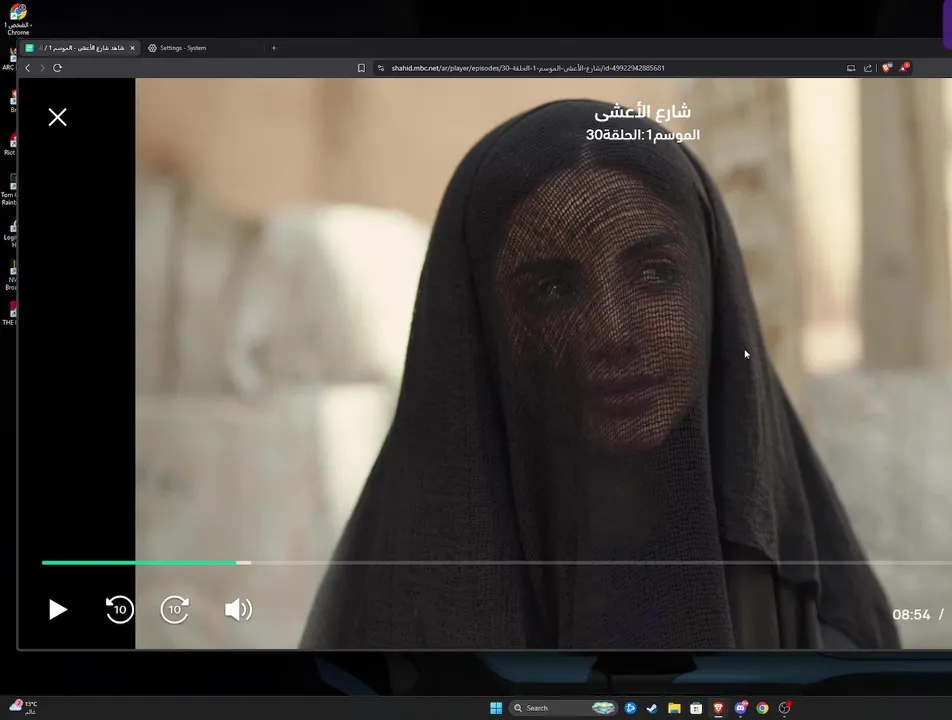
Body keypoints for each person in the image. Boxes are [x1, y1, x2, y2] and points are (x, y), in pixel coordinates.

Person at [302, 99, 900, 650]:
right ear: (482, 328)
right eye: (553, 291)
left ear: (713, 291)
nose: (614, 333)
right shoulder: (402, 624)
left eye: (654, 274)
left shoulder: (818, 626)